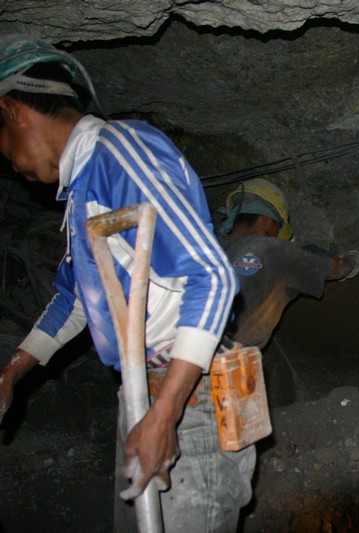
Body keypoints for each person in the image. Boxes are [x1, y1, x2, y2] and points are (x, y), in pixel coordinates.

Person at [0, 35, 252, 532]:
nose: (6, 161)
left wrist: (165, 413)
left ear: (10, 110)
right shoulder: (83, 188)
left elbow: (213, 276)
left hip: (189, 394)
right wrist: (12, 372)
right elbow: (76, 298)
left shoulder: (118, 153)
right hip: (146, 393)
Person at [217, 178, 359, 351]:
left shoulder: (209, 247)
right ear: (266, 220)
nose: (276, 235)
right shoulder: (274, 250)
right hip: (228, 358)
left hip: (193, 350)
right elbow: (334, 269)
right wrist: (353, 260)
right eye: (277, 228)